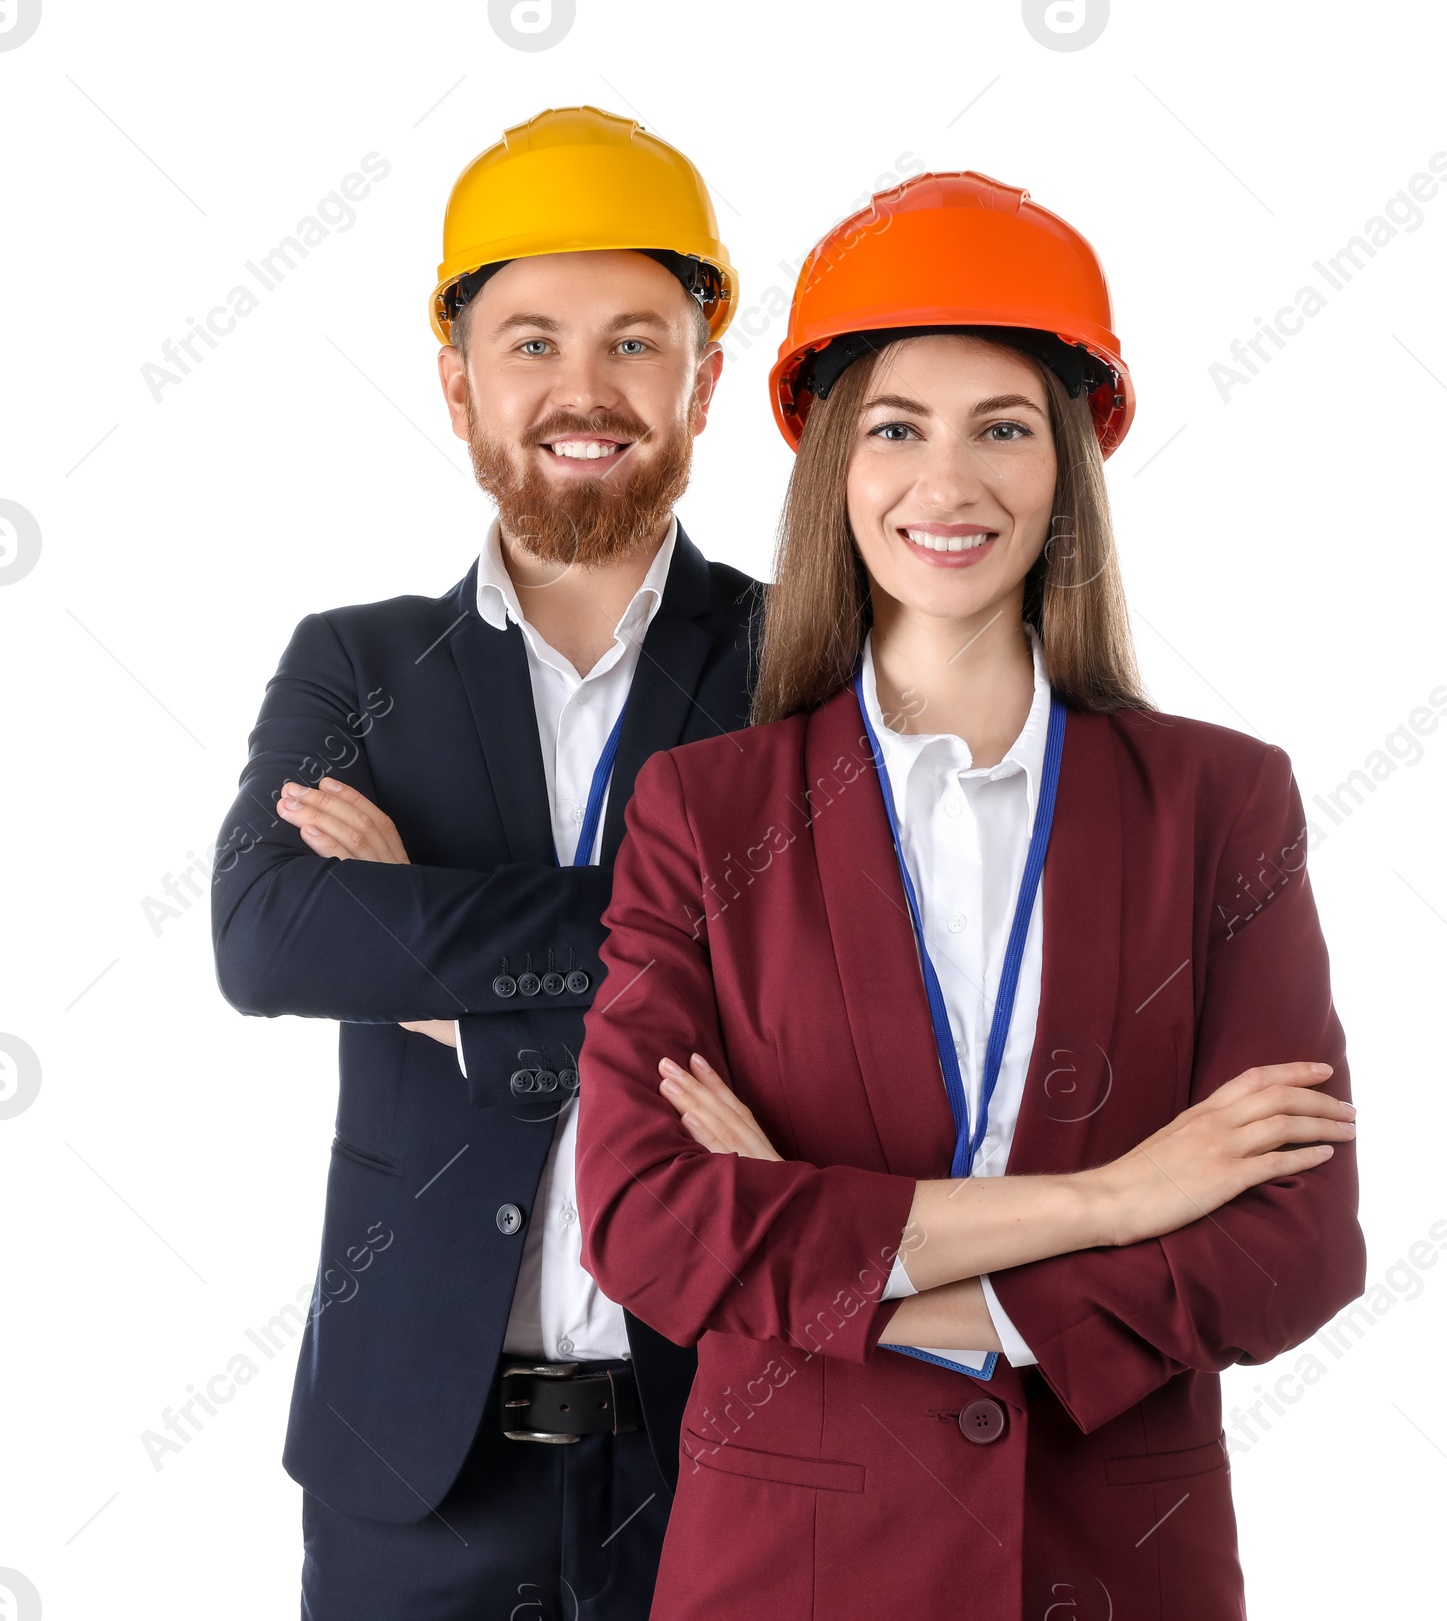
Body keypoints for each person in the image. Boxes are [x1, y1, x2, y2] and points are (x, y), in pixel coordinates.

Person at [574, 171, 1365, 1620]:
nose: (950, 484)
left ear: (1067, 463)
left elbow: (1293, 1243)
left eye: (1003, 428)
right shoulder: (705, 813)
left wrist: (879, 1281)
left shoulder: (1220, 805)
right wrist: (1119, 1197)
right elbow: (649, 1218)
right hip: (791, 1574)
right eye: (896, 429)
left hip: (1121, 1569)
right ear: (835, 470)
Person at [210, 106, 761, 1619]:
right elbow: (265, 938)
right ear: (457, 386)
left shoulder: (805, 668)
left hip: (727, 1444)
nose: (583, 392)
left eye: (635, 342)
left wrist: (438, 969)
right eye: (530, 342)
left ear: (705, 380)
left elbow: (814, 980)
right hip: (412, 1465)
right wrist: (673, 951)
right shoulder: (359, 664)